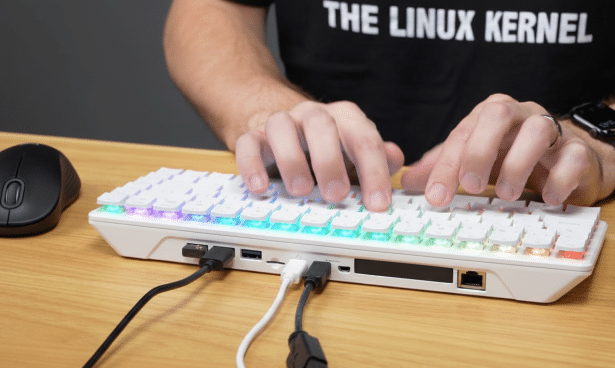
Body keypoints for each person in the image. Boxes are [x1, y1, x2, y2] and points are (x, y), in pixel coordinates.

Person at [163, 0, 615, 212]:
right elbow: (210, 8)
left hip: (558, 209)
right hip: (321, 202)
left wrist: (597, 138)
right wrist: (267, 112)